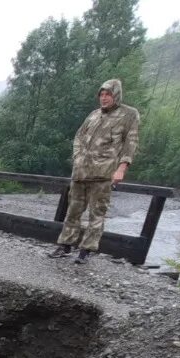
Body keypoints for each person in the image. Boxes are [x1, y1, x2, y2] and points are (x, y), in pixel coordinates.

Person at [48, 78, 140, 264]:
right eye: (102, 94)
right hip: (81, 172)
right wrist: (77, 158)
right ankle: (65, 245)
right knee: (73, 210)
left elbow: (131, 143)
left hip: (103, 173)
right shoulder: (93, 115)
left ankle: (86, 250)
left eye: (108, 94)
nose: (104, 98)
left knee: (97, 213)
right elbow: (79, 137)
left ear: (116, 95)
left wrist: (121, 168)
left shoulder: (129, 114)